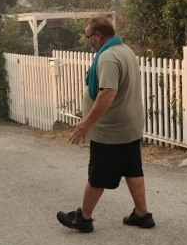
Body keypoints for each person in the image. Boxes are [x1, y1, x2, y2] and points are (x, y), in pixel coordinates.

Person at [56, 14, 155, 233]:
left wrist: (86, 124)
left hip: (111, 129)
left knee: (98, 174)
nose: (87, 41)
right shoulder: (124, 49)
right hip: (129, 125)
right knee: (133, 170)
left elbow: (108, 93)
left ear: (98, 35)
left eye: (88, 36)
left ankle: (83, 218)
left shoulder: (108, 57)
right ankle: (142, 214)